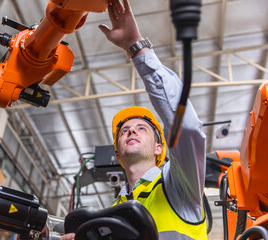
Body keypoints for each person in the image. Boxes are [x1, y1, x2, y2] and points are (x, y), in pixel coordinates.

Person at [61, 0, 207, 239]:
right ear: (117, 154)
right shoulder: (108, 215)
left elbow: (187, 130)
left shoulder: (180, 186)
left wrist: (136, 48)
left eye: (142, 129)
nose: (131, 132)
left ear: (159, 148)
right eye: (125, 131)